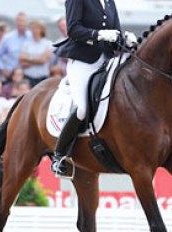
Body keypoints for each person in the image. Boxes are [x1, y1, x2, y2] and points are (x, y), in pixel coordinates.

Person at [51, 0, 138, 176]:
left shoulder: (109, 1)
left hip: (106, 62)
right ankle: (59, 155)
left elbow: (114, 35)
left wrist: (125, 40)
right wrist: (98, 34)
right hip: (83, 61)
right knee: (82, 108)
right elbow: (74, 30)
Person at [0, 12, 32, 81]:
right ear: (15, 22)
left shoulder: (32, 37)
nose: (21, 23)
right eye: (19, 21)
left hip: (28, 74)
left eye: (23, 21)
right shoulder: (7, 38)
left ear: (27, 22)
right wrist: (3, 69)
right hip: (10, 75)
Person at [19, 20, 52, 87]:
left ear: (41, 30)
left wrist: (28, 58)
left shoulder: (48, 44)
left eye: (35, 28)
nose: (33, 31)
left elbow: (43, 60)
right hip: (28, 77)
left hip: (43, 78)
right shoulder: (26, 44)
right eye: (32, 28)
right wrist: (38, 60)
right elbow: (22, 62)